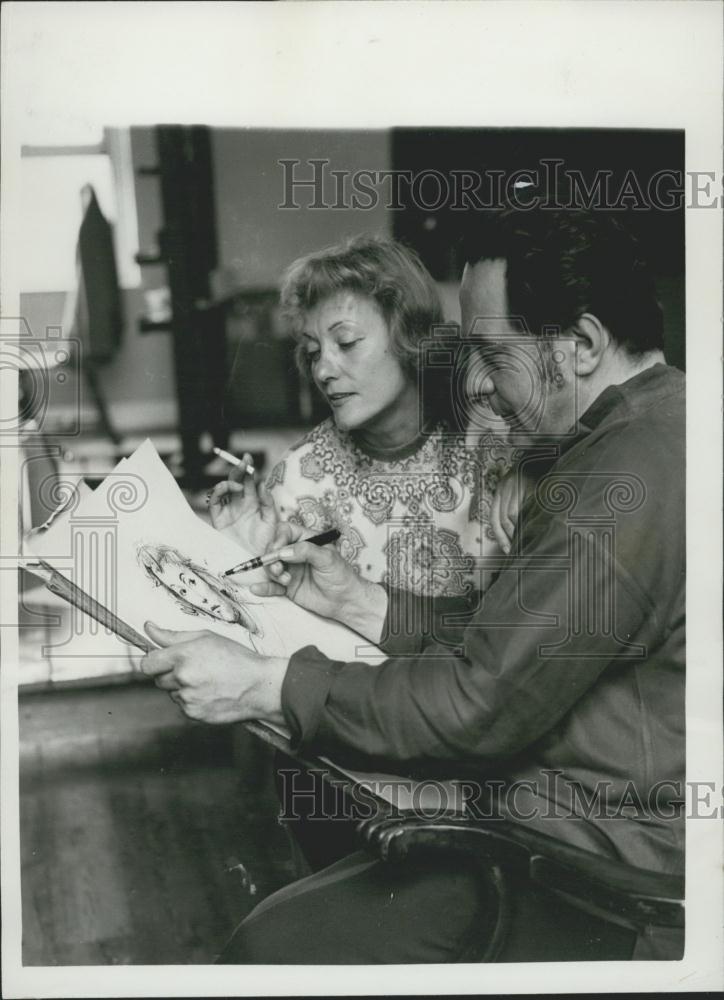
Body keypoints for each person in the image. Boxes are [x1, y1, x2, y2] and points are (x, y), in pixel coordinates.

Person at [140, 208, 685, 963]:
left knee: (269, 949)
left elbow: (477, 705)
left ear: (583, 344)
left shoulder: (618, 483)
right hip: (562, 820)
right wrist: (358, 601)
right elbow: (515, 638)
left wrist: (266, 685)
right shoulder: (648, 431)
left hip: (595, 870)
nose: (478, 384)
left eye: (494, 355)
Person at [208, 235, 515, 598]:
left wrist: (531, 472)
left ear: (411, 334)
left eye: (347, 343)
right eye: (313, 351)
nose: (322, 370)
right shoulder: (296, 481)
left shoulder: (497, 447)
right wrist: (244, 551)